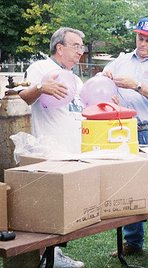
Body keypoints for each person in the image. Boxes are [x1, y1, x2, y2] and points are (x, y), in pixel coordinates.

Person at [103, 17, 148, 261]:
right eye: (140, 38)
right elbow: (105, 77)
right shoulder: (122, 60)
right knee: (129, 185)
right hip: (127, 129)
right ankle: (133, 241)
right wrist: (109, 89)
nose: (143, 43)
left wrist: (136, 85)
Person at [18, 27, 86, 267]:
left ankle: (54, 255)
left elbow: (79, 111)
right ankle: (43, 258)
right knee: (46, 212)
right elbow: (23, 97)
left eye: (82, 46)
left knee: (64, 212)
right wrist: (40, 88)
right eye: (76, 45)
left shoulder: (75, 78)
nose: (81, 51)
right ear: (60, 48)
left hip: (71, 153)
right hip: (48, 152)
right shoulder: (40, 69)